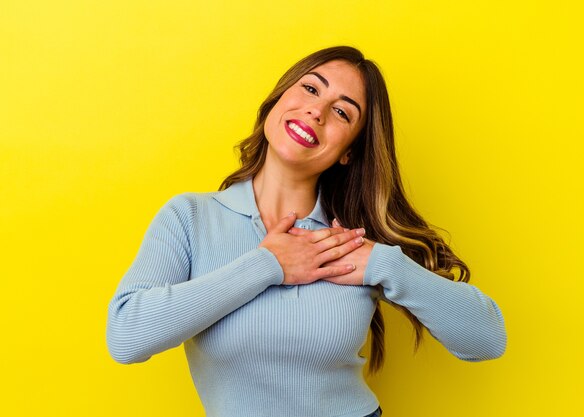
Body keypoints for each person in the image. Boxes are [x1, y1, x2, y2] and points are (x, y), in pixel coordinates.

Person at [106, 46, 507, 417]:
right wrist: (267, 265)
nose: (317, 111)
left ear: (349, 151)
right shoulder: (190, 218)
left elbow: (488, 340)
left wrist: (387, 265)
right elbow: (126, 338)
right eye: (311, 89)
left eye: (343, 112)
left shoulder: (351, 237)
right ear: (276, 102)